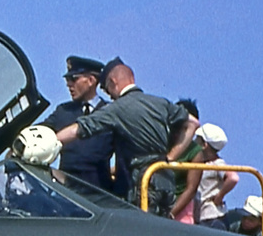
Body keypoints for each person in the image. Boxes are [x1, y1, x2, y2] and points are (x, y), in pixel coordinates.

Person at [52, 60, 198, 213]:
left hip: (143, 182)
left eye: (107, 89)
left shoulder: (118, 108)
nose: (109, 95)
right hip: (165, 179)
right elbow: (193, 124)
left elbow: (80, 129)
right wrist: (170, 157)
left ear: (113, 82)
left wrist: (51, 141)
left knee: (142, 231)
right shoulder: (160, 103)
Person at [47, 56, 111, 190]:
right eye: (67, 80)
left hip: (99, 196)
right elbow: (40, 132)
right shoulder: (63, 111)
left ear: (91, 81)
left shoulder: (110, 113)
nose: (68, 84)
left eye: (74, 79)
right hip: (65, 194)